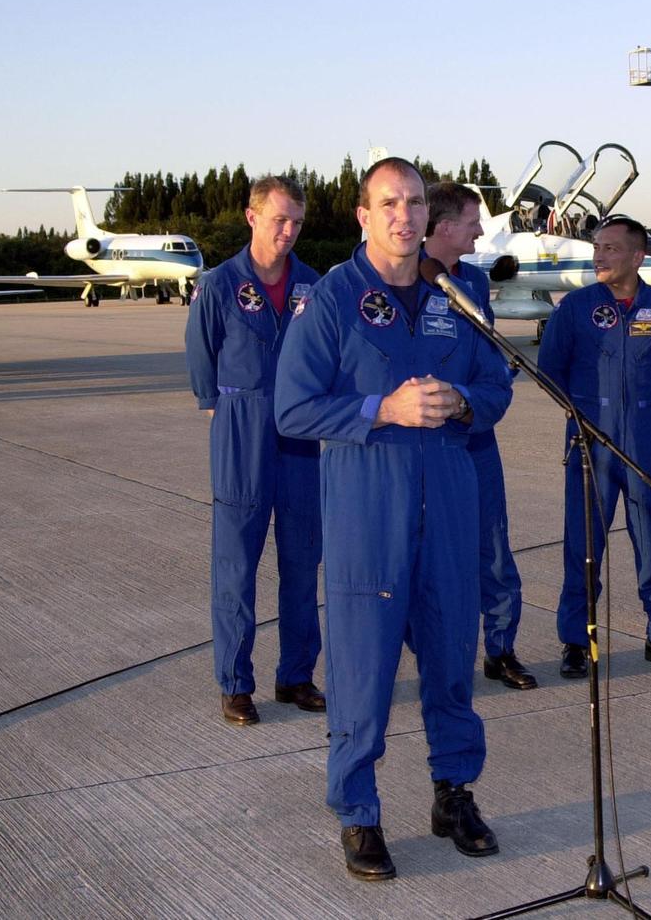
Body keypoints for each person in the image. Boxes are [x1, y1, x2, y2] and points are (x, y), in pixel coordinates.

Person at [274, 158, 513, 882]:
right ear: (364, 215)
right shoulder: (333, 299)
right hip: (367, 510)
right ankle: (359, 811)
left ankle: (453, 793)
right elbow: (292, 406)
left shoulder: (459, 292)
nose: (404, 216)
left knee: (449, 658)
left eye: (413, 202)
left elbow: (497, 382)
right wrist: (382, 408)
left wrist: (464, 401)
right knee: (363, 670)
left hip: (447, 497)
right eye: (389, 203)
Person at [184, 175, 324, 726]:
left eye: (296, 222)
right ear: (252, 217)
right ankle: (235, 683)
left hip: (301, 434)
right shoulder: (218, 285)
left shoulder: (314, 286)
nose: (288, 231)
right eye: (279, 219)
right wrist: (226, 411)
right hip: (241, 428)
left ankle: (295, 676)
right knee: (236, 564)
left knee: (301, 563)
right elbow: (203, 361)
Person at [537, 216, 651, 678]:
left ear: (637, 256)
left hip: (646, 440)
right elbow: (550, 369)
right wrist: (585, 413)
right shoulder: (574, 307)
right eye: (597, 248)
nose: (599, 257)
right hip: (590, 440)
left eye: (610, 248)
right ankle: (575, 640)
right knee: (583, 542)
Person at [423, 182, 536, 691]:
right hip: (422, 441)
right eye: (473, 222)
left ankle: (500, 648)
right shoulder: (402, 280)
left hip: (474, 435)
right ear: (444, 226)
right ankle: (440, 656)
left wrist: (479, 401)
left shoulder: (472, 281)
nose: (481, 231)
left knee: (492, 549)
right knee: (426, 556)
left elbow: (489, 358)